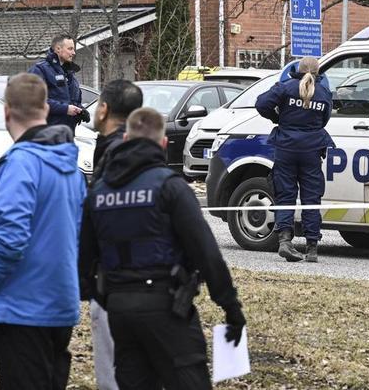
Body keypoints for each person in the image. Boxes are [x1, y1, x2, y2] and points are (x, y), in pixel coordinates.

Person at [79, 107, 247, 390]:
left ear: (126, 139)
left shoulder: (99, 191)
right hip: (166, 307)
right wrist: (230, 306)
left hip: (119, 312)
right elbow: (205, 251)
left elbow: (83, 261)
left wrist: (109, 297)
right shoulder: (170, 187)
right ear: (164, 143)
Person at [0, 73, 86, 390]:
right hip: (58, 303)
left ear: (7, 111)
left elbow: (11, 236)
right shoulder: (70, 167)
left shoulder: (20, 164)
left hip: (21, 307)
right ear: (46, 109)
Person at [84, 79, 143, 390]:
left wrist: (89, 280)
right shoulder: (142, 152)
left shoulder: (115, 155)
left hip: (113, 283)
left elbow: (99, 222)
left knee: (112, 375)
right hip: (149, 286)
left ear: (104, 109)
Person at [255, 57, 333, 262]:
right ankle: (312, 247)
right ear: (317, 73)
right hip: (312, 150)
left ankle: (285, 241)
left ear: (296, 70)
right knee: (311, 198)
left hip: (286, 148)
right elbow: (325, 119)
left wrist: (277, 118)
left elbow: (261, 104)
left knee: (285, 195)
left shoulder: (285, 88)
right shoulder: (323, 92)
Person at [28, 34, 86, 131]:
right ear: (58, 49)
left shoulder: (70, 74)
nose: (73, 53)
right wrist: (65, 109)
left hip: (67, 134)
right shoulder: (40, 70)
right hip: (46, 133)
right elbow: (35, 101)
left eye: (73, 49)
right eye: (70, 49)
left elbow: (71, 101)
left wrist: (81, 111)